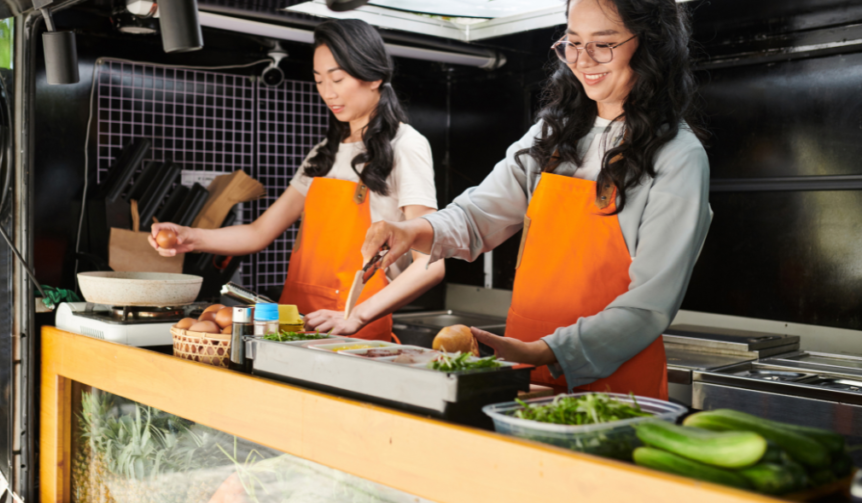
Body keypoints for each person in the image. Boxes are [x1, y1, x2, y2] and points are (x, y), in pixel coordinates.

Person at [361, 0, 710, 398]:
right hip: (521, 371)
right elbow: (478, 214)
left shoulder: (677, 156)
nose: (583, 60)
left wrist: (544, 350)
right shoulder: (553, 134)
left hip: (615, 389)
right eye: (573, 42)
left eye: (604, 44)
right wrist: (412, 230)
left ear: (650, 45)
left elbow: (648, 307)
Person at [149, 19, 444, 341]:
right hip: (297, 326)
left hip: (356, 333)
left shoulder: (406, 146)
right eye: (319, 81)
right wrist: (190, 238)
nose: (327, 93)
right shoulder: (324, 153)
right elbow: (258, 232)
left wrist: (356, 315)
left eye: (338, 79)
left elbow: (431, 263)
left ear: (374, 76)